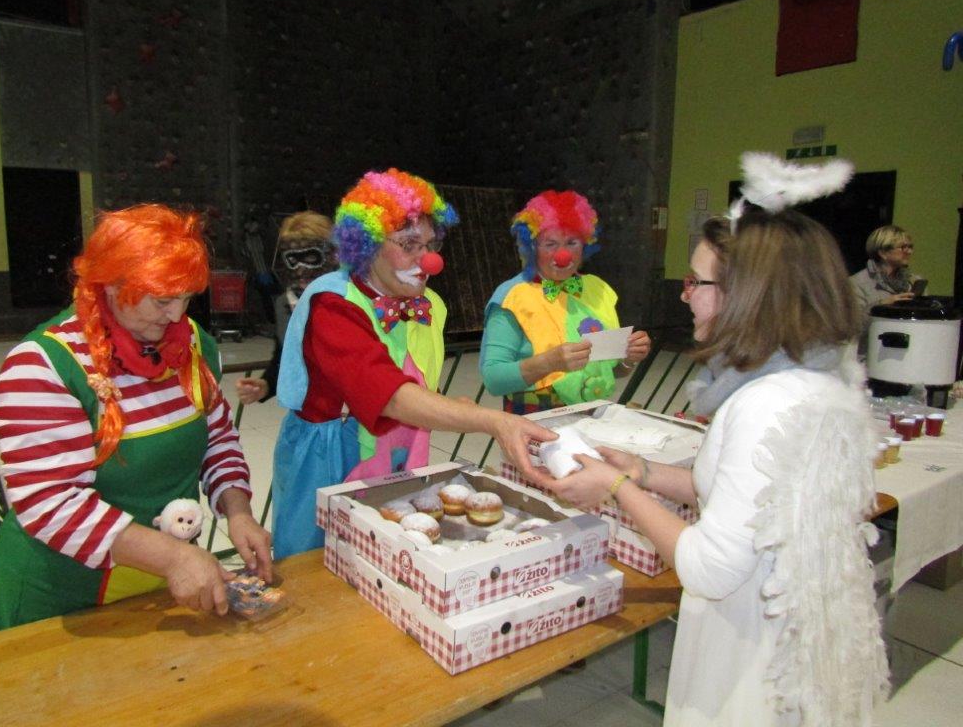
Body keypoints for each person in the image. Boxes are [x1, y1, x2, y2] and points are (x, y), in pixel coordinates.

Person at [529, 154, 889, 726]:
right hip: (789, 636)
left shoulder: (763, 404)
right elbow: (747, 499)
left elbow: (709, 569)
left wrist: (618, 487)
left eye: (697, 282)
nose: (684, 294)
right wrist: (646, 472)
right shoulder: (817, 377)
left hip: (751, 656)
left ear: (749, 294)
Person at [0, 204, 272, 633]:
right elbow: (49, 501)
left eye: (187, 298)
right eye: (162, 300)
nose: (177, 315)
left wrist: (238, 511)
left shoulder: (192, 345)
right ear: (112, 285)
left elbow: (217, 438)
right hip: (61, 595)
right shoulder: (43, 364)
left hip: (154, 584)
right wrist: (173, 557)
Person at [272, 168, 556, 557]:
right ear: (367, 246)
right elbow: (390, 394)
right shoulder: (333, 304)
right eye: (409, 244)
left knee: (384, 558)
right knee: (315, 563)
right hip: (331, 457)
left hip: (401, 449)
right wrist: (491, 420)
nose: (429, 260)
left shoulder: (430, 305)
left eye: (430, 244)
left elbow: (414, 380)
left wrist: (446, 404)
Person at [480, 190, 651, 414]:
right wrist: (549, 362)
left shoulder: (597, 290)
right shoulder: (513, 296)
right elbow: (493, 380)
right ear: (532, 248)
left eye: (572, 243)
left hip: (593, 412)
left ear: (585, 245)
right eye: (550, 244)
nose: (563, 255)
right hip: (535, 416)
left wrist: (629, 358)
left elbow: (612, 369)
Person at [235, 211, 336, 405]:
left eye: (310, 257)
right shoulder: (285, 305)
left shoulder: (350, 299)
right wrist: (265, 385)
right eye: (293, 259)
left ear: (331, 256)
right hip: (308, 411)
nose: (300, 269)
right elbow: (284, 358)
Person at [850, 224, 918, 314]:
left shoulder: (913, 281)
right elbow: (852, 320)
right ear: (883, 253)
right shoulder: (857, 283)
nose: (909, 252)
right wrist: (881, 305)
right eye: (903, 247)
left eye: (910, 247)